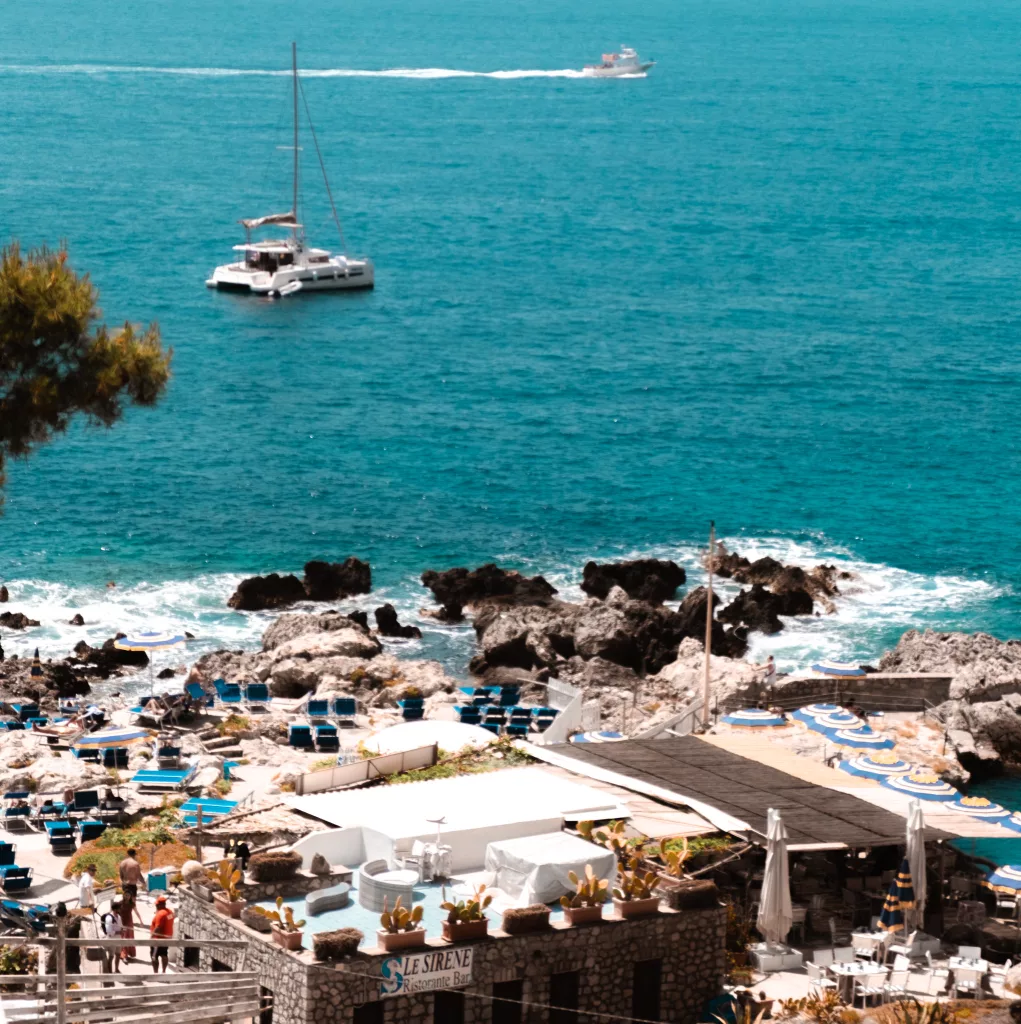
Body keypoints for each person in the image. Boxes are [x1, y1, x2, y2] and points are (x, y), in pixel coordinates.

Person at [150, 896, 174, 974]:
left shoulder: (160, 914)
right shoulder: (170, 912)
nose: (156, 906)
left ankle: (156, 973)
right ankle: (163, 971)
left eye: (157, 905)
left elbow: (158, 928)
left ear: (160, 905)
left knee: (154, 956)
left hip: (157, 939)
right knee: (164, 954)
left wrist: (151, 937)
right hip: (167, 938)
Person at [118, 890, 143, 963]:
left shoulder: (132, 904)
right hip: (122, 922)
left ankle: (127, 954)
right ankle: (123, 955)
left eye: (128, 895)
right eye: (126, 895)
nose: (127, 897)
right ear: (123, 895)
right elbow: (115, 911)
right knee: (124, 938)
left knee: (129, 938)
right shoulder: (120, 903)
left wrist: (141, 920)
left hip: (129, 923)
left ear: (130, 897)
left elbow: (136, 912)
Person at [101, 902, 122, 973]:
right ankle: (109, 972)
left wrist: (122, 931)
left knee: (118, 954)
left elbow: (120, 926)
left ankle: (116, 969)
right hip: (112, 940)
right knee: (111, 957)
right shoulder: (109, 918)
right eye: (119, 908)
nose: (120, 909)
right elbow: (109, 931)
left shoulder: (119, 917)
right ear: (116, 909)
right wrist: (119, 932)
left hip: (119, 939)